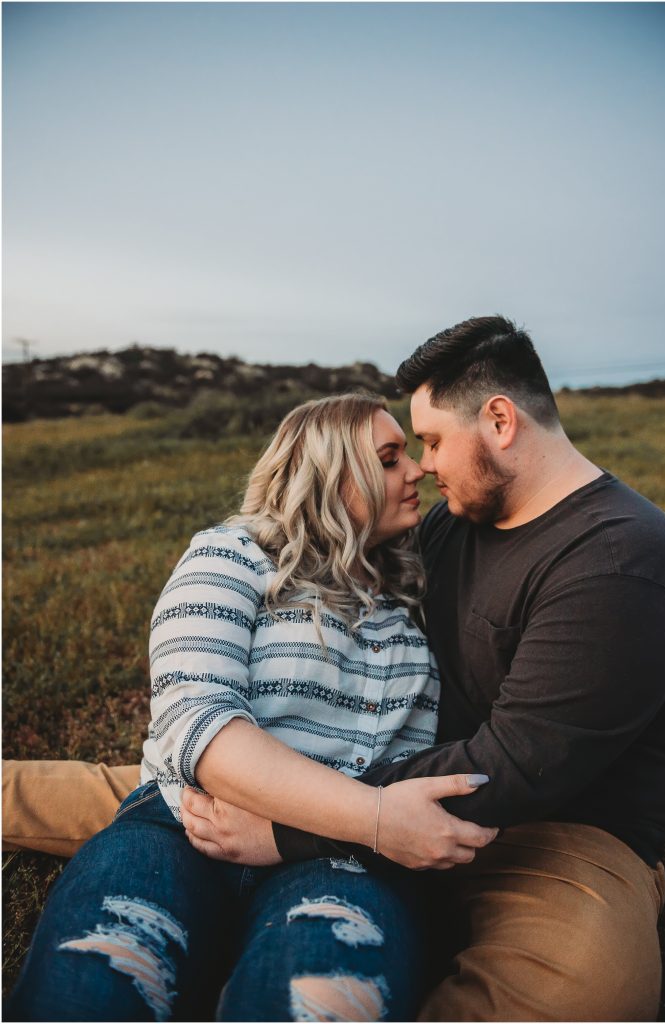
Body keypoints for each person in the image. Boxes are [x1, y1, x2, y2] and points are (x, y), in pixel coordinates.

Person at [5, 315, 665, 1020]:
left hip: (550, 827)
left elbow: (514, 769)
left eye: (429, 441)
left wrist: (293, 830)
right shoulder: (450, 524)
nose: (423, 465)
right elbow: (220, 703)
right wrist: (319, 798)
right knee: (169, 809)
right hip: (358, 782)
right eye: (406, 451)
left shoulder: (619, 558)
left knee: (579, 992)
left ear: (500, 421)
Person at [7, 393, 496, 1023]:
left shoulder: (414, 601)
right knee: (99, 972)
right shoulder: (231, 555)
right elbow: (198, 723)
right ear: (329, 474)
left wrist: (335, 832)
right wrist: (376, 815)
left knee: (324, 999)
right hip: (182, 825)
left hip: (341, 854)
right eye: (389, 458)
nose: (417, 470)